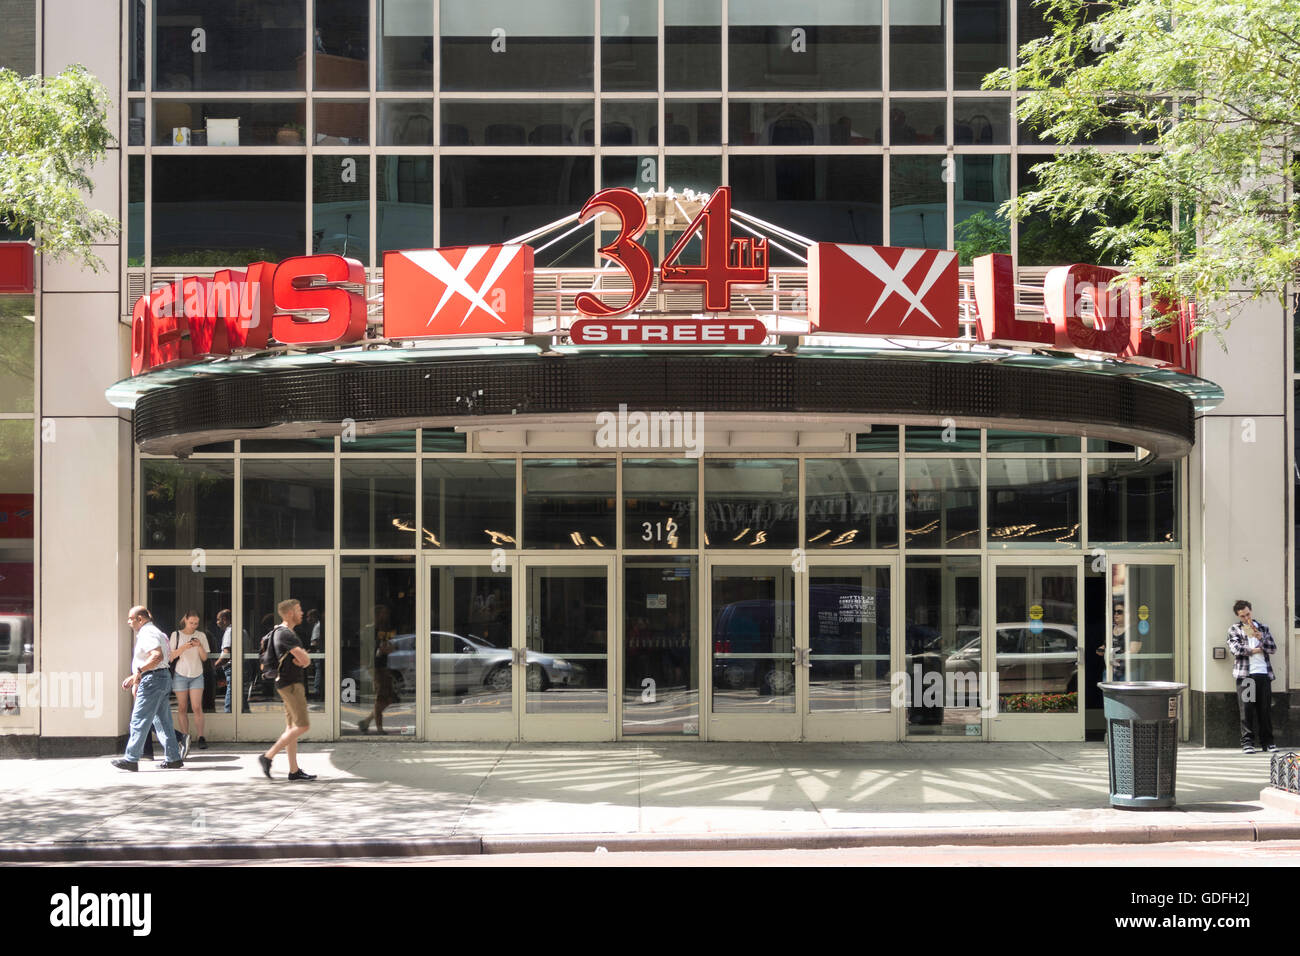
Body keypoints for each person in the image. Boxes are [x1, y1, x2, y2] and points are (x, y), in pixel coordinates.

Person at [113, 606, 185, 771]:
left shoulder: (147, 633)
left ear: (140, 619)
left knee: (138, 720)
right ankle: (173, 758)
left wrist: (137, 673)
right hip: (162, 678)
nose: (128, 622)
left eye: (131, 619)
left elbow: (156, 655)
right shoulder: (158, 632)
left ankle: (131, 759)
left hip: (152, 679)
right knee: (163, 721)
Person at [258, 598, 316, 780]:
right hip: (291, 684)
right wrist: (304, 659)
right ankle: (268, 757)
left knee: (291, 727)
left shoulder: (278, 632)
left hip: (284, 682)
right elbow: (305, 660)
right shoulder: (287, 635)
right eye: (299, 610)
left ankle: (293, 770)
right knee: (303, 725)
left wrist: (301, 659)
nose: (302, 613)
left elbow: (300, 659)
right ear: (290, 613)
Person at [1227, 599, 1278, 754]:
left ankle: (1268, 743)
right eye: (1242, 616)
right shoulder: (1235, 629)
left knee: (1265, 710)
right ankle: (1247, 743)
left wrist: (1261, 637)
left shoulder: (1263, 627)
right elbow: (1236, 649)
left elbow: (1273, 648)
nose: (1246, 618)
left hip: (1263, 674)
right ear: (1238, 616)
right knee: (1247, 710)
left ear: (1251, 611)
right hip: (1246, 675)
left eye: (1248, 614)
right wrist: (1256, 650)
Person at [169, 610, 210, 753]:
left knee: (197, 706)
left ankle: (201, 736)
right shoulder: (176, 634)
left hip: (197, 674)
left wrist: (199, 646)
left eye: (196, 623)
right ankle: (184, 737)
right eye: (191, 622)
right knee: (182, 707)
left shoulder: (201, 635)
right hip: (180, 674)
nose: (193, 626)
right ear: (185, 620)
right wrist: (184, 647)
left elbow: (204, 658)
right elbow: (171, 656)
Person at [358, 604, 396, 734]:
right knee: (381, 698)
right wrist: (379, 651)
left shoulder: (384, 630)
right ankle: (379, 728)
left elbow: (389, 646)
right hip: (375, 667)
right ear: (378, 615)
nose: (387, 615)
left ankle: (366, 721)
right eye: (384, 613)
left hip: (384, 666)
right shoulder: (370, 630)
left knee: (389, 698)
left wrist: (389, 648)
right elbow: (369, 649)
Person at [1097, 601, 1142, 680]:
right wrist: (1101, 649)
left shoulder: (1134, 629)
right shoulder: (1111, 628)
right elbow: (1105, 645)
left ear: (1129, 614)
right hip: (1111, 670)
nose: (1116, 614)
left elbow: (1134, 650)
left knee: (1127, 692)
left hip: (1129, 671)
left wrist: (1118, 656)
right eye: (1114, 612)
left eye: (1119, 612)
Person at [213, 608, 234, 714]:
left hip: (231, 669)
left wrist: (214, 666)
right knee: (240, 700)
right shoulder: (241, 630)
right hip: (243, 668)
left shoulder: (229, 631)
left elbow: (226, 655)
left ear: (224, 619)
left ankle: (228, 718)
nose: (217, 622)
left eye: (218, 619)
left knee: (230, 700)